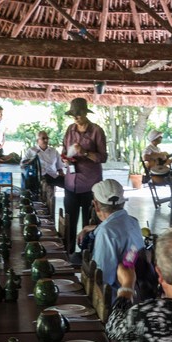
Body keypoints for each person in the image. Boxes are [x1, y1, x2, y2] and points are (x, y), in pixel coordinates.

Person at [61, 97, 108, 253]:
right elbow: (63, 151)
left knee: (88, 224)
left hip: (90, 185)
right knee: (69, 224)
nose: (75, 117)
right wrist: (65, 159)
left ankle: (86, 257)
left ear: (85, 112)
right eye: (73, 114)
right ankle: (68, 255)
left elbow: (102, 157)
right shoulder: (70, 129)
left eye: (78, 114)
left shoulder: (96, 131)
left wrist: (85, 152)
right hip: (70, 184)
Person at [84, 179, 143, 290]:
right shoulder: (133, 222)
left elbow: (103, 278)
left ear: (96, 205)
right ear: (123, 203)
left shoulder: (106, 232)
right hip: (136, 292)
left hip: (114, 298)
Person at [142, 130, 172, 212]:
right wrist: (159, 155)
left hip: (163, 173)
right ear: (154, 139)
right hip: (156, 176)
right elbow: (145, 157)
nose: (161, 138)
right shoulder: (149, 148)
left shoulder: (158, 149)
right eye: (159, 137)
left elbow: (166, 163)